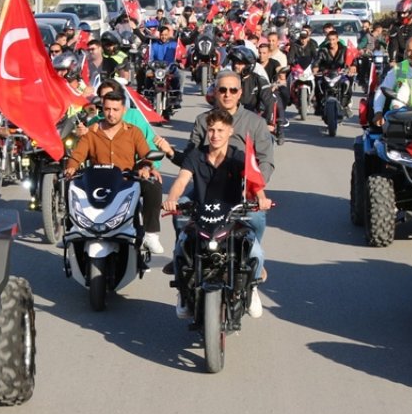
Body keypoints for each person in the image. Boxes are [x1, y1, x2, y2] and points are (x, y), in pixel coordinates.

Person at [163, 109, 272, 319]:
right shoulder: (196, 156)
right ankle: (183, 293)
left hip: (232, 214)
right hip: (202, 213)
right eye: (211, 130)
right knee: (181, 249)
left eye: (221, 130)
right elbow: (181, 181)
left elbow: (253, 180)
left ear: (230, 131)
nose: (215, 135)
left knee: (256, 253)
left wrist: (261, 198)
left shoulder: (238, 156)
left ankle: (253, 287)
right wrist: (172, 199)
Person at [64, 91, 166, 253]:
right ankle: (71, 228)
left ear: (123, 110)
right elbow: (78, 155)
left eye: (115, 109)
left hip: (126, 181)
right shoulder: (91, 132)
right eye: (107, 109)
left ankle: (150, 234)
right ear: (102, 109)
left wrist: (146, 168)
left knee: (154, 185)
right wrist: (71, 166)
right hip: (96, 182)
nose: (111, 114)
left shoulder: (134, 132)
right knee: (70, 184)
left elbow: (146, 156)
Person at [181, 70, 275, 244]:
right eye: (223, 90)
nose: (227, 94)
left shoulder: (255, 122)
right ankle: (182, 255)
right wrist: (171, 153)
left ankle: (255, 255)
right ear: (215, 92)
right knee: (180, 214)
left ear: (240, 93)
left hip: (242, 188)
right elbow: (190, 156)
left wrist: (253, 188)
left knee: (256, 219)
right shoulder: (203, 120)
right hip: (205, 187)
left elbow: (266, 160)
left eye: (233, 90)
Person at [371, 35, 412, 121]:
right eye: (409, 51)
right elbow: (382, 90)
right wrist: (378, 112)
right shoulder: (400, 68)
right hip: (403, 118)